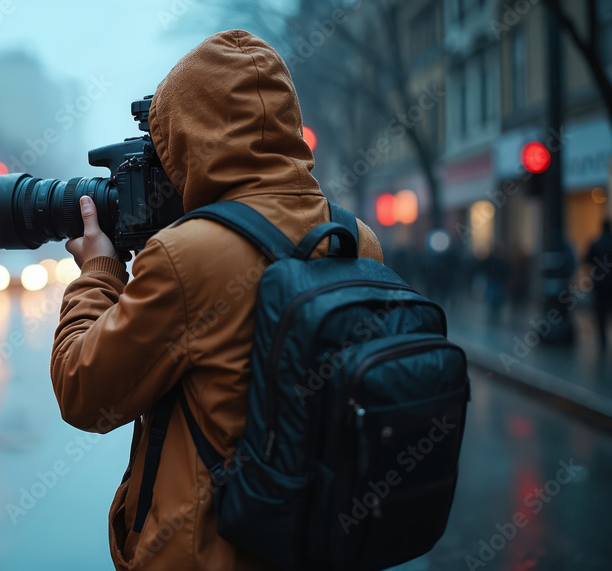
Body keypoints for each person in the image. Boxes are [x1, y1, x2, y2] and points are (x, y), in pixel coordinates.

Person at [50, 30, 383, 570]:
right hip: (323, 542)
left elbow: (84, 391)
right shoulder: (356, 237)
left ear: (185, 136)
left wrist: (98, 270)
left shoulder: (190, 255)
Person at [586, 219, 612, 350]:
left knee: (601, 312)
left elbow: (587, 260)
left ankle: (602, 340)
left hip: (600, 283)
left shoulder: (596, 243)